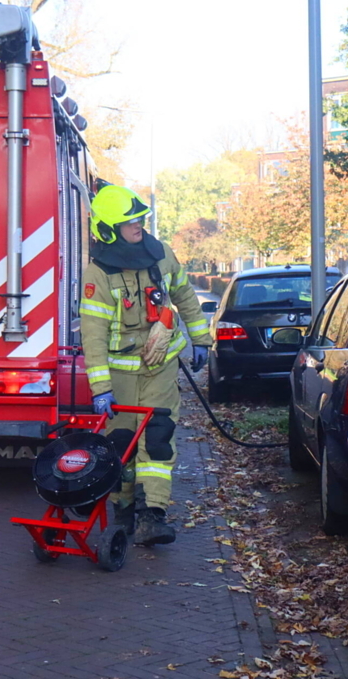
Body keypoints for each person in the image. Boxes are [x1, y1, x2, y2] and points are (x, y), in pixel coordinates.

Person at [80, 185, 212, 546]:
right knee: (121, 443)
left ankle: (152, 513)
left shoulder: (161, 255)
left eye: (139, 217)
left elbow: (184, 295)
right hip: (120, 374)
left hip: (161, 368)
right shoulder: (99, 275)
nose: (138, 224)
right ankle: (123, 509)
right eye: (129, 221)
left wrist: (201, 339)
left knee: (156, 438)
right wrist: (101, 388)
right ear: (108, 229)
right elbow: (92, 335)